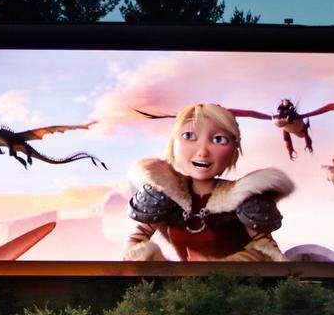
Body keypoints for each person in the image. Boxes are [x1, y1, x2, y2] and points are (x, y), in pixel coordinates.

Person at [124, 103, 293, 261]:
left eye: (219, 139)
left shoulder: (243, 197)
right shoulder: (164, 194)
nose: (203, 151)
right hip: (183, 279)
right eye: (189, 136)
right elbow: (136, 244)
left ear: (234, 149)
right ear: (174, 144)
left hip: (237, 278)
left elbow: (268, 249)